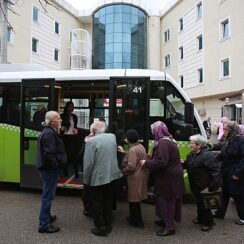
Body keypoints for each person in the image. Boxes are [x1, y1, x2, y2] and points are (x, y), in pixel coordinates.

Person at [140, 121, 184, 236]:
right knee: (163, 200)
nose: (152, 132)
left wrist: (146, 163)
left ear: (157, 131)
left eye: (153, 130)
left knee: (167, 201)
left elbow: (162, 162)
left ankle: (169, 228)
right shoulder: (168, 140)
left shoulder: (163, 143)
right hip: (170, 176)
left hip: (168, 178)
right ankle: (165, 220)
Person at [83, 121, 122, 236]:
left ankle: (101, 227)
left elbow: (88, 165)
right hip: (112, 175)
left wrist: (87, 180)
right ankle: (108, 224)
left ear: (93, 131)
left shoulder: (91, 142)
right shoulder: (112, 137)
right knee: (108, 200)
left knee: (97, 202)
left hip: (98, 177)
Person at [36, 111, 67, 233]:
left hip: (47, 169)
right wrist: (56, 166)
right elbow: (48, 154)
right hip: (49, 170)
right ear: (52, 122)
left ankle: (47, 217)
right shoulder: (50, 134)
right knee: (48, 197)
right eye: (58, 119)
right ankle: (43, 225)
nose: (61, 120)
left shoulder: (48, 131)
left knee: (47, 194)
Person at [182, 134, 221, 231]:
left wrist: (212, 186)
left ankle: (209, 222)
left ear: (199, 145)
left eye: (192, 144)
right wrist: (183, 163)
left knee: (206, 205)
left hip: (205, 185)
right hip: (195, 184)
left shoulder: (208, 155)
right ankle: (200, 218)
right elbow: (189, 165)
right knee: (199, 203)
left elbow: (215, 171)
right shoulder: (191, 154)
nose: (190, 145)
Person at [213, 121, 244, 225]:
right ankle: (220, 213)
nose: (223, 131)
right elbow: (223, 154)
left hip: (235, 173)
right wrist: (212, 160)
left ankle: (243, 218)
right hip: (225, 172)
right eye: (224, 128)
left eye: (226, 129)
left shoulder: (241, 140)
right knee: (224, 193)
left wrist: (238, 173)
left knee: (238, 196)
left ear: (232, 130)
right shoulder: (227, 140)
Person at [118, 129, 149, 228]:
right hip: (141, 175)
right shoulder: (140, 146)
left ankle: (137, 221)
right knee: (135, 199)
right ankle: (133, 217)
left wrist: (122, 172)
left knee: (134, 200)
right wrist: (124, 152)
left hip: (134, 177)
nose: (125, 138)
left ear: (129, 139)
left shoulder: (132, 150)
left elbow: (131, 166)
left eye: (126, 137)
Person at [60, 101, 79, 178]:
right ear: (67, 107)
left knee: (74, 155)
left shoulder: (74, 116)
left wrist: (75, 130)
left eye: (73, 106)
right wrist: (62, 129)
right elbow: (61, 128)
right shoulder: (62, 116)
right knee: (66, 155)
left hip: (72, 137)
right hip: (65, 137)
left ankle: (76, 172)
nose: (72, 108)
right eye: (70, 106)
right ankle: (65, 171)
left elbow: (75, 127)